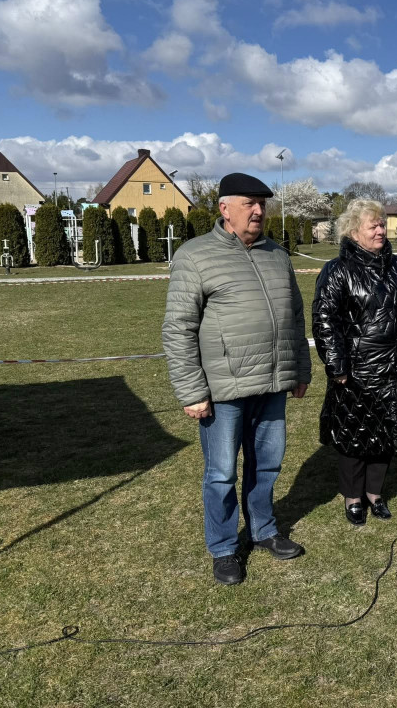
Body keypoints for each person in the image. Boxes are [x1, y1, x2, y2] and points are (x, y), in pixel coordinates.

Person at [162, 172, 312, 586]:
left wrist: (300, 369)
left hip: (273, 383)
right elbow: (178, 328)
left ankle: (264, 530)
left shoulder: (277, 255)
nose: (260, 211)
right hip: (223, 389)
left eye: (263, 203)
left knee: (267, 466)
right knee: (222, 473)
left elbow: (296, 318)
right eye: (250, 203)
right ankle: (225, 547)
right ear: (225, 208)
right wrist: (192, 391)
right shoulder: (196, 255)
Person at [312, 199, 397, 526]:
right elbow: (324, 320)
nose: (381, 230)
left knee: (386, 435)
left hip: (393, 370)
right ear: (353, 232)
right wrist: (337, 367)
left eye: (382, 224)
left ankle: (375, 494)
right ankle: (353, 498)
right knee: (355, 437)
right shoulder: (336, 271)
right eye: (373, 226)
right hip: (355, 374)